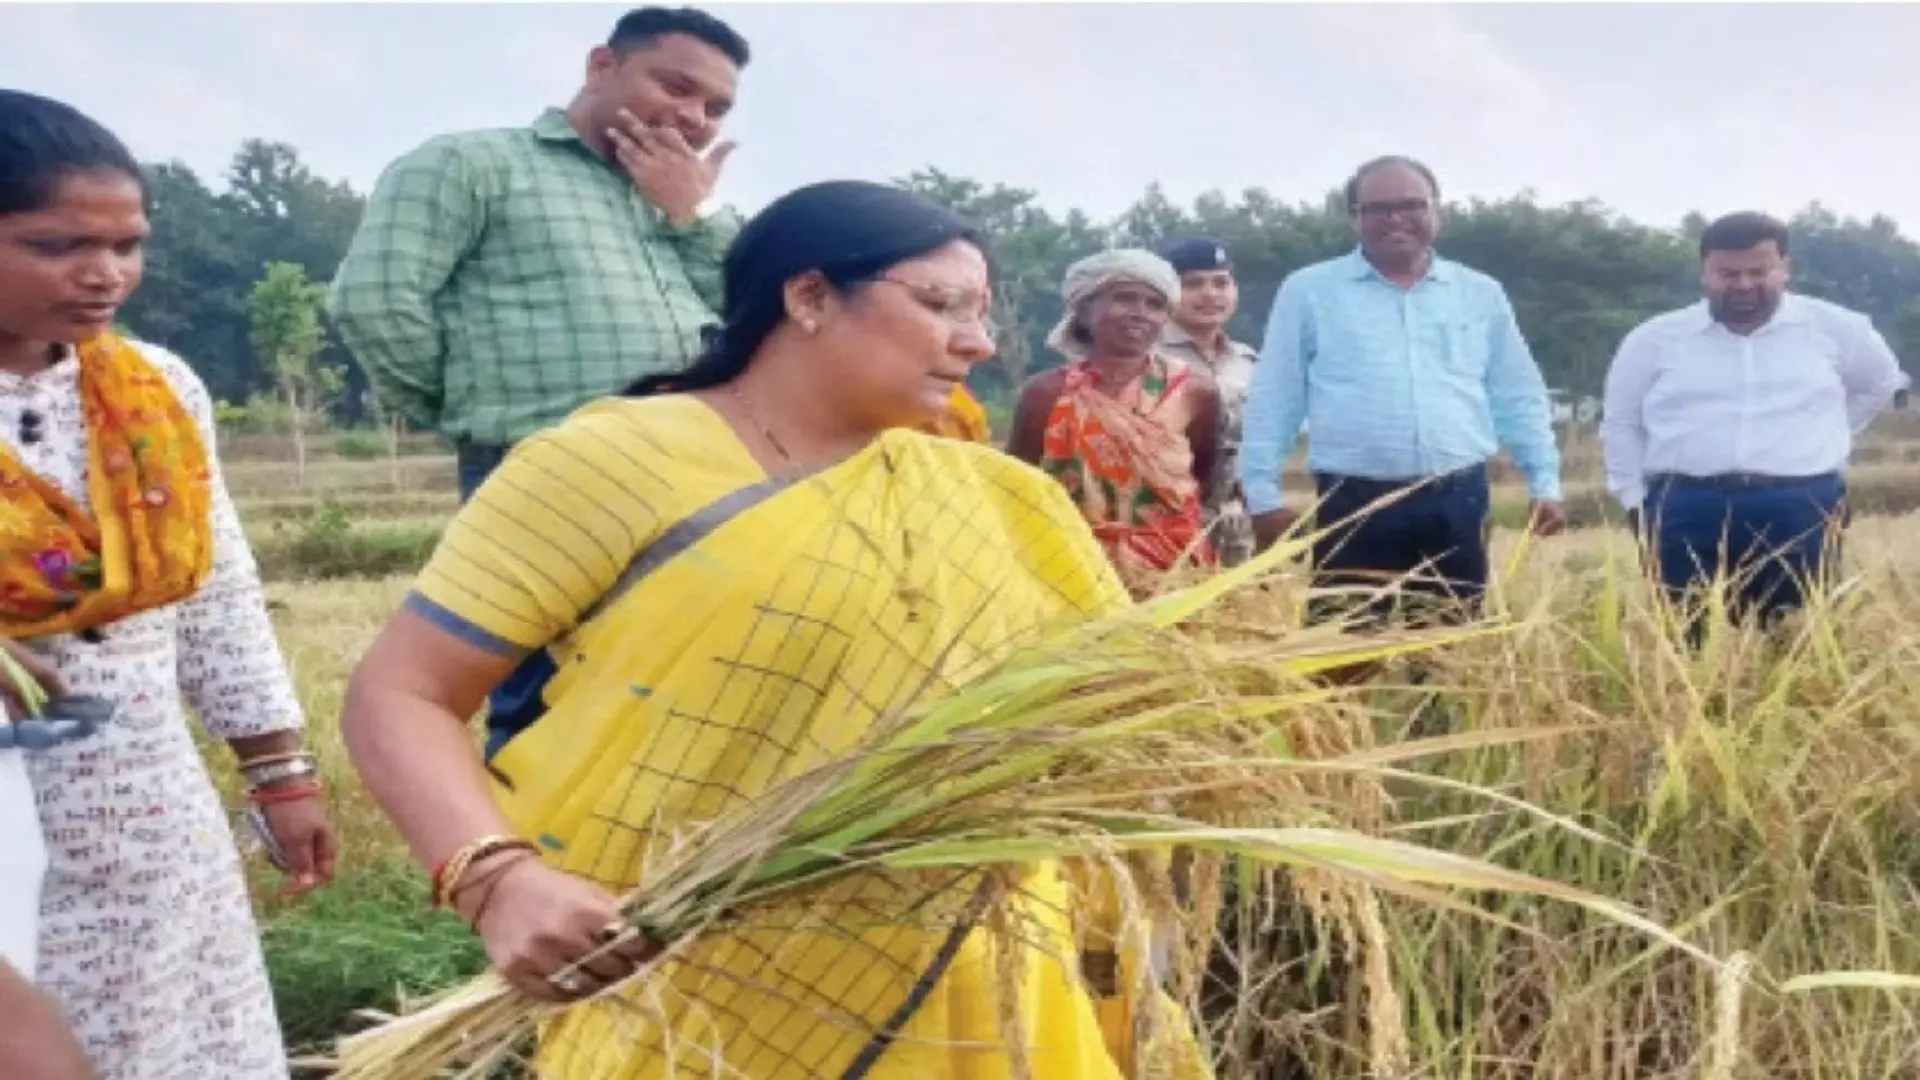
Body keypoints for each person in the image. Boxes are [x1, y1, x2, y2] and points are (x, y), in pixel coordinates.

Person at [340, 181, 1206, 1080]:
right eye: (940, 303)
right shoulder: (610, 463)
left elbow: (1106, 718)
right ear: (809, 296)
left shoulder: (999, 498)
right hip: (695, 982)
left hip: (976, 975)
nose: (977, 340)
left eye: (981, 312)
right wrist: (498, 880)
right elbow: (401, 693)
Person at [0, 89, 337, 1077]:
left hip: (149, 809)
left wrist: (278, 771)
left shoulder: (155, 391)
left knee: (177, 1037)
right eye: (56, 245)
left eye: (128, 244)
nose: (105, 274)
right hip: (7, 820)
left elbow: (217, 593)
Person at [328, 5, 751, 756]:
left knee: (675, 695)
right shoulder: (472, 165)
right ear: (601, 66)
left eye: (715, 108)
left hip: (692, 474)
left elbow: (753, 314)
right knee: (541, 701)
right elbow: (375, 303)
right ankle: (519, 867)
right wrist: (467, 410)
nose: (694, 117)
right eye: (677, 87)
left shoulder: (676, 198)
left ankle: (660, 872)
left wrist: (691, 212)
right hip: (544, 469)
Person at [1238, 155, 1565, 622]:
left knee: (1448, 647)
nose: (1395, 219)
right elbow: (1276, 396)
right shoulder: (1309, 291)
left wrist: (1545, 481)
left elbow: (1516, 393)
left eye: (1411, 205)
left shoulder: (1479, 292)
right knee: (1345, 649)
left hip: (1457, 497)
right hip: (1352, 502)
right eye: (1377, 209)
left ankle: (1440, 697)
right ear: (1354, 217)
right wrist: (1262, 494)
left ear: (1438, 211)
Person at [1601, 211, 1905, 627]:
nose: (1743, 285)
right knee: (1686, 638)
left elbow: (1880, 385)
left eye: (1758, 271)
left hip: (1801, 506)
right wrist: (1636, 503)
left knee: (1797, 637)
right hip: (1685, 506)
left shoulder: (1841, 330)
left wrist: (1824, 435)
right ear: (1704, 273)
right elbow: (1621, 423)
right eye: (1727, 273)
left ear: (1785, 269)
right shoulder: (1653, 340)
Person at [1008, 250, 1221, 596]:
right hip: (1071, 568)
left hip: (1172, 575)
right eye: (1124, 299)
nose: (1140, 313)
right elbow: (1018, 487)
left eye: (1154, 304)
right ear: (1085, 309)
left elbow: (1204, 478)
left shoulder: (1195, 391)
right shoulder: (1045, 394)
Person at [1157, 236, 1259, 565]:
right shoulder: (1147, 358)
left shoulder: (1249, 362)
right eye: (1193, 284)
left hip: (1238, 524)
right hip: (1166, 521)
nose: (1210, 294)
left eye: (1221, 283)